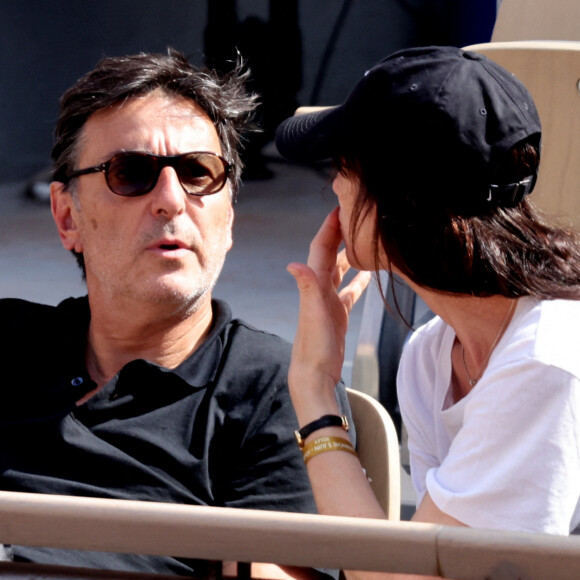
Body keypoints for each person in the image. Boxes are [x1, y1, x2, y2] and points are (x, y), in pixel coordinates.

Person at [0, 48, 350, 578]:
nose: (170, 199)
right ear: (67, 214)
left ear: (228, 215)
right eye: (131, 172)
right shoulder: (7, 342)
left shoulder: (276, 386)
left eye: (198, 172)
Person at [275, 45, 580, 576]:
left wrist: (315, 390)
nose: (335, 186)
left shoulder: (546, 360)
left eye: (343, 166)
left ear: (399, 204)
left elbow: (399, 577)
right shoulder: (431, 357)